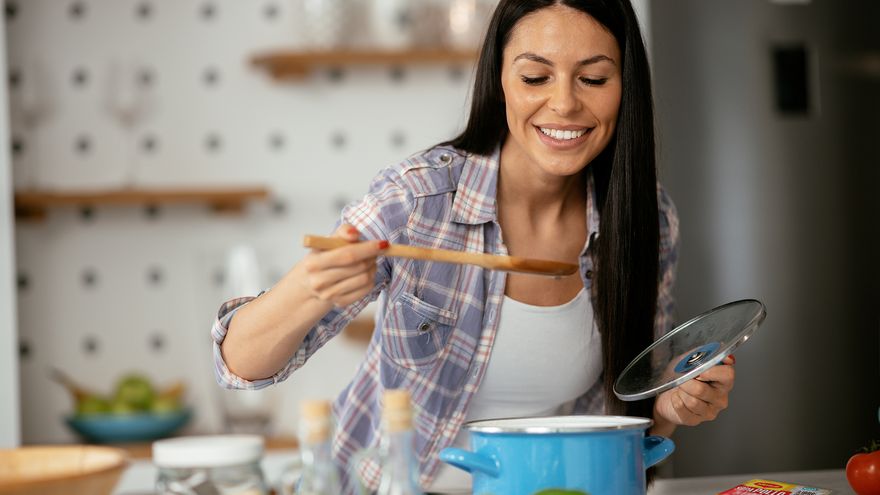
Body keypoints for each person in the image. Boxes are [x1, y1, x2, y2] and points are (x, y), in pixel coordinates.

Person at [211, 0, 736, 493]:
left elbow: (632, 415)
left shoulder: (648, 220)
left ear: (625, 86)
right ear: (500, 80)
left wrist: (670, 406)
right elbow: (238, 365)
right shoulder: (417, 199)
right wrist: (312, 285)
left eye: (593, 79)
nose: (564, 103)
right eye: (535, 77)